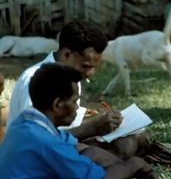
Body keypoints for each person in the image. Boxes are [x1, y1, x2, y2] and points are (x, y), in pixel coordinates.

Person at [7, 21, 149, 159]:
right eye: (86, 66)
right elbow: (35, 141)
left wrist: (90, 115)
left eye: (95, 67)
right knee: (125, 145)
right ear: (67, 55)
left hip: (64, 142)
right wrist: (92, 128)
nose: (90, 73)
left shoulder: (69, 74)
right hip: (36, 155)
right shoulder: (35, 80)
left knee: (138, 135)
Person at [0, 63, 156, 178]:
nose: (77, 108)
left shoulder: (26, 121)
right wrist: (135, 164)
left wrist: (118, 166)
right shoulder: (47, 143)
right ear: (58, 104)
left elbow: (83, 150)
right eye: (75, 101)